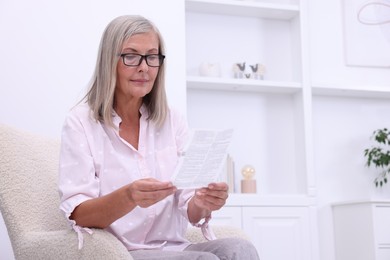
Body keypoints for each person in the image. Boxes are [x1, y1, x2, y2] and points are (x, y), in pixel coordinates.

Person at [58, 14, 260, 260]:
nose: (144, 67)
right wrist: (129, 196)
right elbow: (78, 214)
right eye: (131, 56)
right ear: (108, 61)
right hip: (121, 252)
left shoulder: (172, 120)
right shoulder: (81, 122)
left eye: (152, 57)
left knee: (241, 249)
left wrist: (204, 202)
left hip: (173, 247)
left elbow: (190, 208)